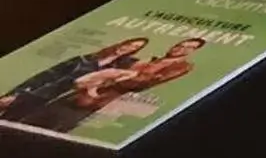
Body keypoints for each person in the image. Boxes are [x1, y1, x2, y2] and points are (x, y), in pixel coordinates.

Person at [6, 37, 206, 135]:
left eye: (188, 47)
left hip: (93, 102)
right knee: (27, 122)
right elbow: (99, 71)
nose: (181, 48)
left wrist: (118, 79)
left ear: (191, 52)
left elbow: (143, 83)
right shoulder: (139, 59)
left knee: (51, 130)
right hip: (72, 95)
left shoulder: (181, 66)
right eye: (181, 44)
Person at [0, 37, 146, 124]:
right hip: (38, 94)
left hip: (61, 104)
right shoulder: (83, 59)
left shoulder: (118, 67)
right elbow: (45, 76)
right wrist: (18, 93)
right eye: (129, 44)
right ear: (122, 43)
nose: (128, 48)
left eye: (134, 48)